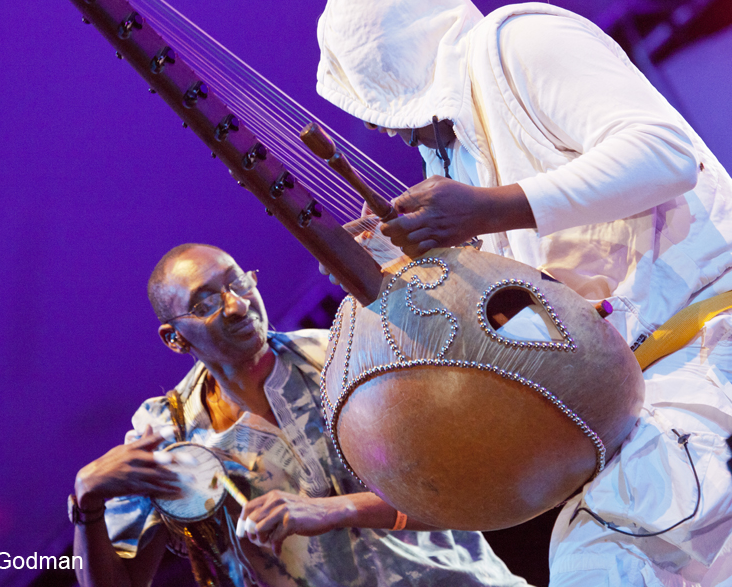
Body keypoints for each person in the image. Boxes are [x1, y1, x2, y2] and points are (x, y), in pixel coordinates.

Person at [314, 0, 732, 585]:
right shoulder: (453, 154)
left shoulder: (520, 42)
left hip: (729, 353)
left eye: (369, 98)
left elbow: (666, 153)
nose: (372, 125)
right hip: (651, 405)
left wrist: (489, 210)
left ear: (399, 66)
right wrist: (399, 266)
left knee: (600, 563)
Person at [70, 243, 528, 587]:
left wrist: (333, 510)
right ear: (175, 339)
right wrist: (86, 504)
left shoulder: (347, 356)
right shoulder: (167, 436)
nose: (236, 305)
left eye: (238, 283)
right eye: (206, 302)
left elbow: (462, 491)